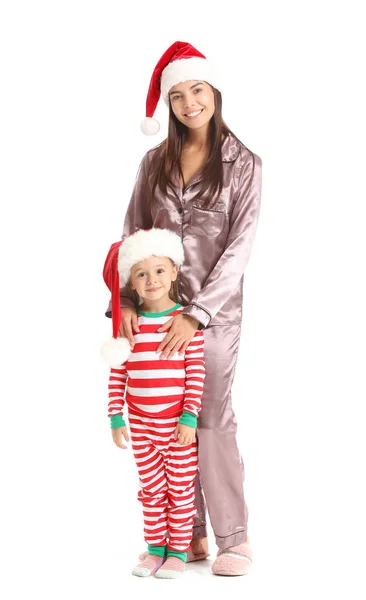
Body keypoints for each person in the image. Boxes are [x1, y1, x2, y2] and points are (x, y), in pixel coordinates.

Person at [106, 40, 262, 576]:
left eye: (197, 90)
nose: (189, 103)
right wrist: (125, 301)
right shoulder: (153, 163)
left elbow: (240, 248)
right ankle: (185, 533)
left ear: (213, 91)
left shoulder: (244, 164)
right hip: (153, 316)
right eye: (176, 95)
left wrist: (194, 313)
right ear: (167, 106)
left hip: (211, 320)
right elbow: (131, 235)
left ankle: (233, 538)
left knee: (210, 416)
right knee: (165, 419)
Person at [102, 228, 205, 579]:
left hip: (176, 425)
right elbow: (118, 374)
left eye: (160, 270)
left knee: (179, 490)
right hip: (142, 425)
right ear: (131, 281)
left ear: (175, 271)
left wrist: (189, 418)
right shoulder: (129, 326)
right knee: (151, 491)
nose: (152, 280)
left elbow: (196, 374)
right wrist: (116, 417)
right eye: (142, 274)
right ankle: (154, 549)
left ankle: (178, 551)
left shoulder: (185, 326)